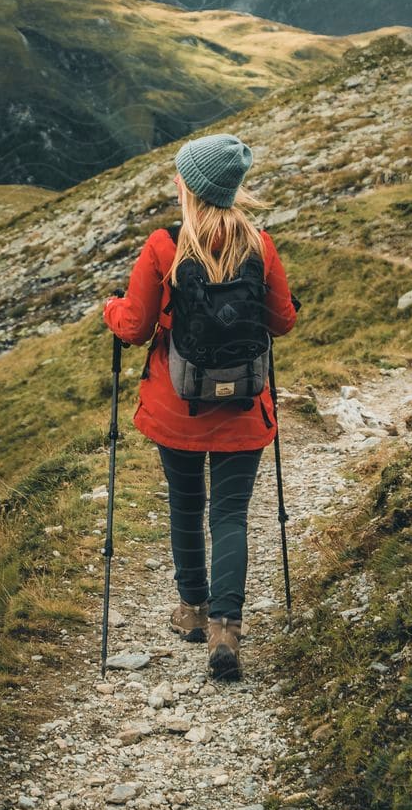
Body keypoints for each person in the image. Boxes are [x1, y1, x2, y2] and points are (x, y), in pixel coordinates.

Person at [102, 132, 299, 681]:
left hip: (176, 410)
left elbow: (136, 328)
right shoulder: (260, 244)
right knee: (230, 515)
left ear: (189, 187)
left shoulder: (164, 246)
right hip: (243, 408)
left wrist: (111, 310)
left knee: (186, 507)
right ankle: (226, 631)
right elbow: (282, 321)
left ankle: (191, 611)